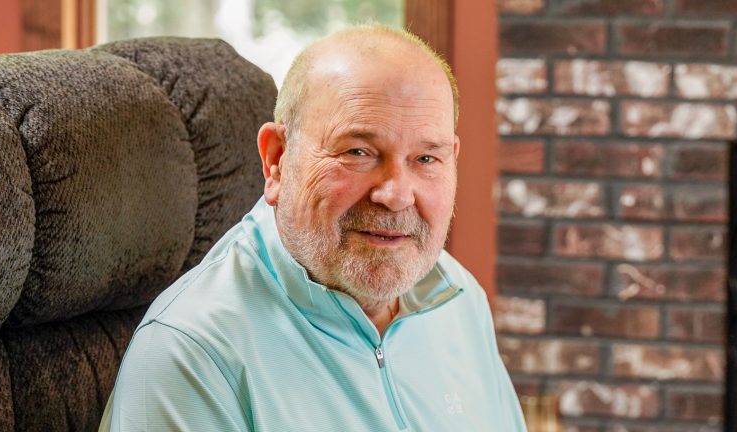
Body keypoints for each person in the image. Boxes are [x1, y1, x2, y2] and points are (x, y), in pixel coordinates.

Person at [100, 24, 527, 431]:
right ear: (277, 160)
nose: (396, 194)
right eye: (358, 151)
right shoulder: (191, 354)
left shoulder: (458, 295)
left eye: (426, 159)